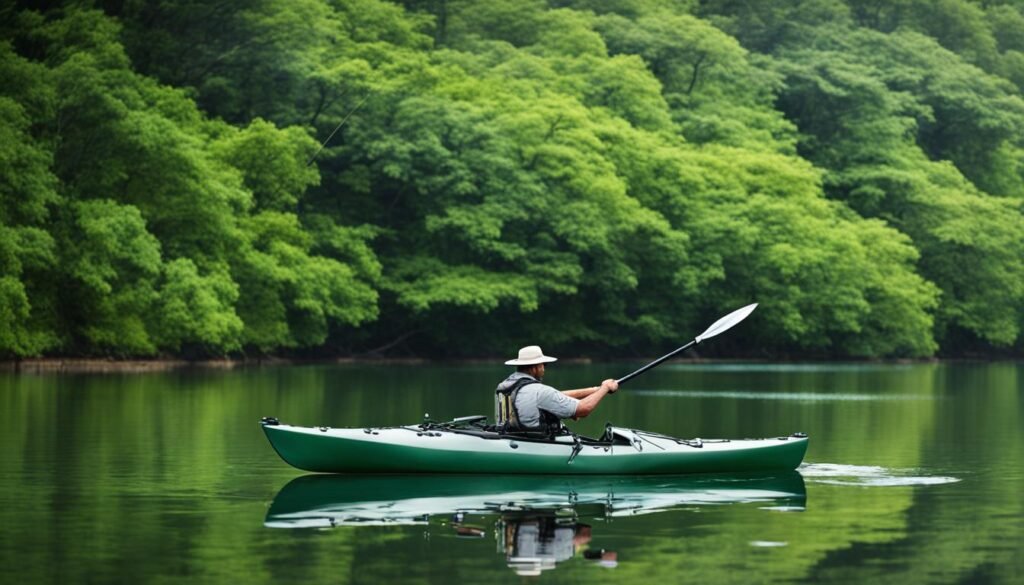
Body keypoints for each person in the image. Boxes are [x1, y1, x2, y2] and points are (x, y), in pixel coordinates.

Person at [495, 345, 618, 434]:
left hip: (511, 437)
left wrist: (594, 390)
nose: (544, 369)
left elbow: (556, 395)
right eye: (544, 365)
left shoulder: (506, 385)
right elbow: (583, 409)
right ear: (534, 368)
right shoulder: (539, 391)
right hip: (536, 444)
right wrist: (605, 387)